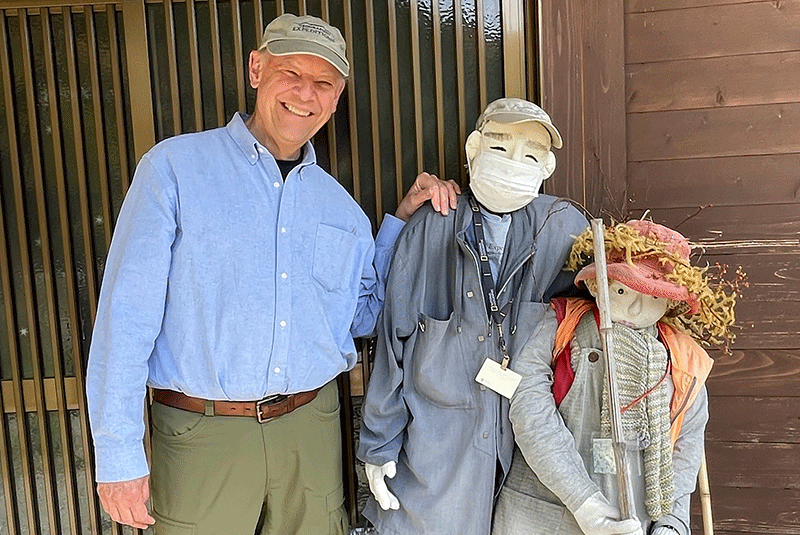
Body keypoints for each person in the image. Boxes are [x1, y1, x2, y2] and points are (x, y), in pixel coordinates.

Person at [86, 13, 459, 534]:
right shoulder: (172, 170)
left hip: (312, 430)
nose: (305, 93)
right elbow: (124, 320)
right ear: (256, 69)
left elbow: (362, 316)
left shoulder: (342, 210)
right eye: (291, 73)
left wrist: (401, 220)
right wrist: (119, 454)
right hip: (201, 433)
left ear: (337, 97)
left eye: (323, 83)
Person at [357, 98, 589, 534]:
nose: (514, 163)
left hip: (529, 451)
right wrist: (379, 444)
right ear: (473, 149)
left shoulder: (566, 228)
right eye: (500, 149)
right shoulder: (433, 224)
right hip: (438, 449)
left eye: (531, 154)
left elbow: (599, 321)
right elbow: (392, 343)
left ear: (547, 168)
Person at [492, 220, 736, 535]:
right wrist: (583, 500)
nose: (637, 308)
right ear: (597, 285)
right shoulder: (560, 327)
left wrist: (671, 523)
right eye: (622, 290)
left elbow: (684, 453)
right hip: (543, 514)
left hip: (633, 519)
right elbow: (530, 411)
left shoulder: (684, 363)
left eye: (654, 298)